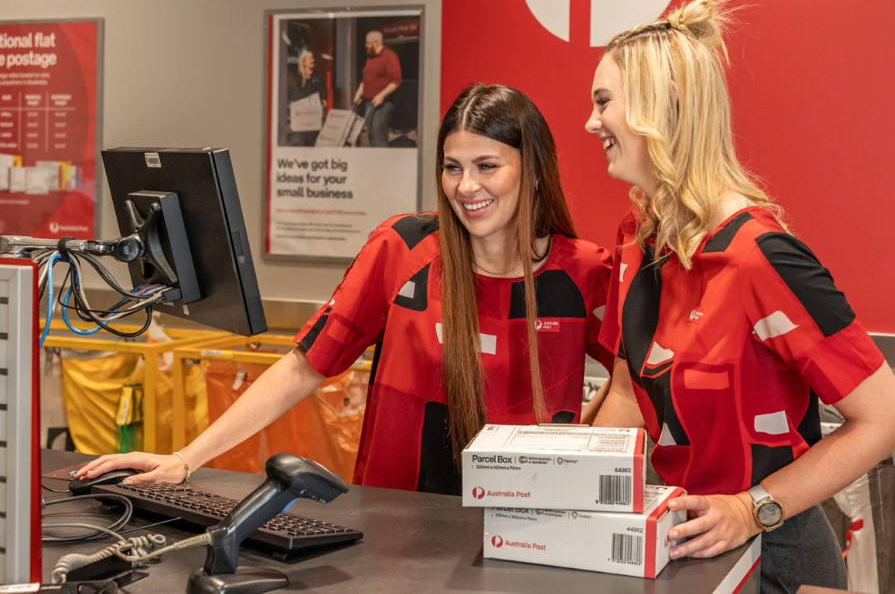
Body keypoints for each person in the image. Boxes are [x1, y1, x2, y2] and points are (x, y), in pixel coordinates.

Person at [77, 83, 613, 495]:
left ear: (534, 171)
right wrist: (184, 459)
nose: (466, 186)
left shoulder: (585, 271)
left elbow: (639, 384)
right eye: (453, 167)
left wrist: (575, 442)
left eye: (487, 166)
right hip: (397, 519)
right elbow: (306, 364)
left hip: (524, 527)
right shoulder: (401, 248)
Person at [586, 0, 895, 593]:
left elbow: (886, 418)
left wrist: (751, 507)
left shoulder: (762, 256)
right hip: (677, 540)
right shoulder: (637, 239)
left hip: (778, 553)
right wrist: (566, 484)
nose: (591, 122)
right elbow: (630, 395)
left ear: (662, 106)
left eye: (604, 102)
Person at [352, 30, 402, 147]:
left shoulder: (390, 57)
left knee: (377, 129)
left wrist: (382, 95)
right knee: (370, 131)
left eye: (368, 43)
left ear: (377, 42)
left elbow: (396, 81)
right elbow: (366, 79)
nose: (366, 46)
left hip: (383, 102)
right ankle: (373, 159)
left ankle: (382, 160)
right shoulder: (370, 58)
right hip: (369, 102)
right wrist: (359, 93)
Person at [284, 49, 327, 147]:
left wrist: (324, 100)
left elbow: (323, 92)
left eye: (313, 59)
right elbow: (294, 96)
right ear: (304, 62)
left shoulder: (318, 76)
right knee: (302, 142)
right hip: (302, 117)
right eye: (310, 59)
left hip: (314, 116)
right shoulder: (297, 78)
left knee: (314, 142)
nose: (313, 61)